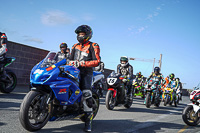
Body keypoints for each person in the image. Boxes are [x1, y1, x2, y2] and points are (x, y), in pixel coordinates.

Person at [69, 25, 100, 132]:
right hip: (74, 72)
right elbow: (69, 59)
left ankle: (88, 122)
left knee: (86, 93)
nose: (80, 36)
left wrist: (83, 63)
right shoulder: (74, 46)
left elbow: (97, 61)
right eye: (79, 34)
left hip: (86, 72)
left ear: (88, 35)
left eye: (82, 34)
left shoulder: (94, 46)